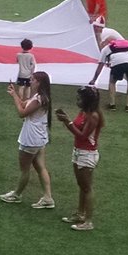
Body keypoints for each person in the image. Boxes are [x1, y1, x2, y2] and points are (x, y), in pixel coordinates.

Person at [0, 72, 54, 209]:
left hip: (31, 138)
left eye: (33, 80)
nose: (30, 81)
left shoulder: (38, 99)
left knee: (25, 169)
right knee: (40, 167)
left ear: (39, 83)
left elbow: (22, 113)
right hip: (39, 137)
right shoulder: (39, 97)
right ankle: (48, 197)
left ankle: (17, 194)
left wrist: (15, 97)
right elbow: (23, 104)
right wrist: (14, 94)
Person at [55, 86, 103, 231]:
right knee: (82, 186)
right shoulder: (84, 112)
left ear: (87, 100)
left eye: (79, 99)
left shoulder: (93, 116)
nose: (77, 101)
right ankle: (80, 214)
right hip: (79, 152)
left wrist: (67, 122)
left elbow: (82, 135)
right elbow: (77, 128)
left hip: (87, 154)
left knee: (87, 188)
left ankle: (88, 221)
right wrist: (67, 120)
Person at [89, 37, 128, 111]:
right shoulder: (124, 47)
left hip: (118, 62)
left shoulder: (105, 49)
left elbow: (100, 66)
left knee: (112, 82)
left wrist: (94, 79)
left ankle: (112, 105)